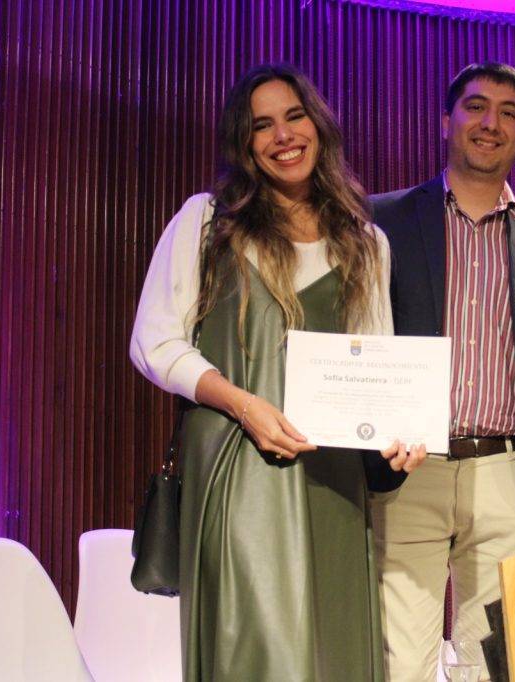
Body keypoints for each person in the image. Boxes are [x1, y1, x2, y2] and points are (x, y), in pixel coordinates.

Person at [129, 63, 425, 681]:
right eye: (262, 125)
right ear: (244, 143)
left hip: (332, 474)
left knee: (333, 647)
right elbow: (154, 342)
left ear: (318, 125)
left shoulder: (366, 242)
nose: (283, 136)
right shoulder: (208, 222)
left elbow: (376, 359)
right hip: (240, 470)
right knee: (257, 649)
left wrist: (399, 435)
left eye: (294, 117)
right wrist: (244, 405)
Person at [370, 62, 515, 681]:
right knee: (397, 661)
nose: (490, 123)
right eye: (475, 106)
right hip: (407, 470)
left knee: (506, 664)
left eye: (509, 113)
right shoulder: (380, 221)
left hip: (510, 473)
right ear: (446, 120)